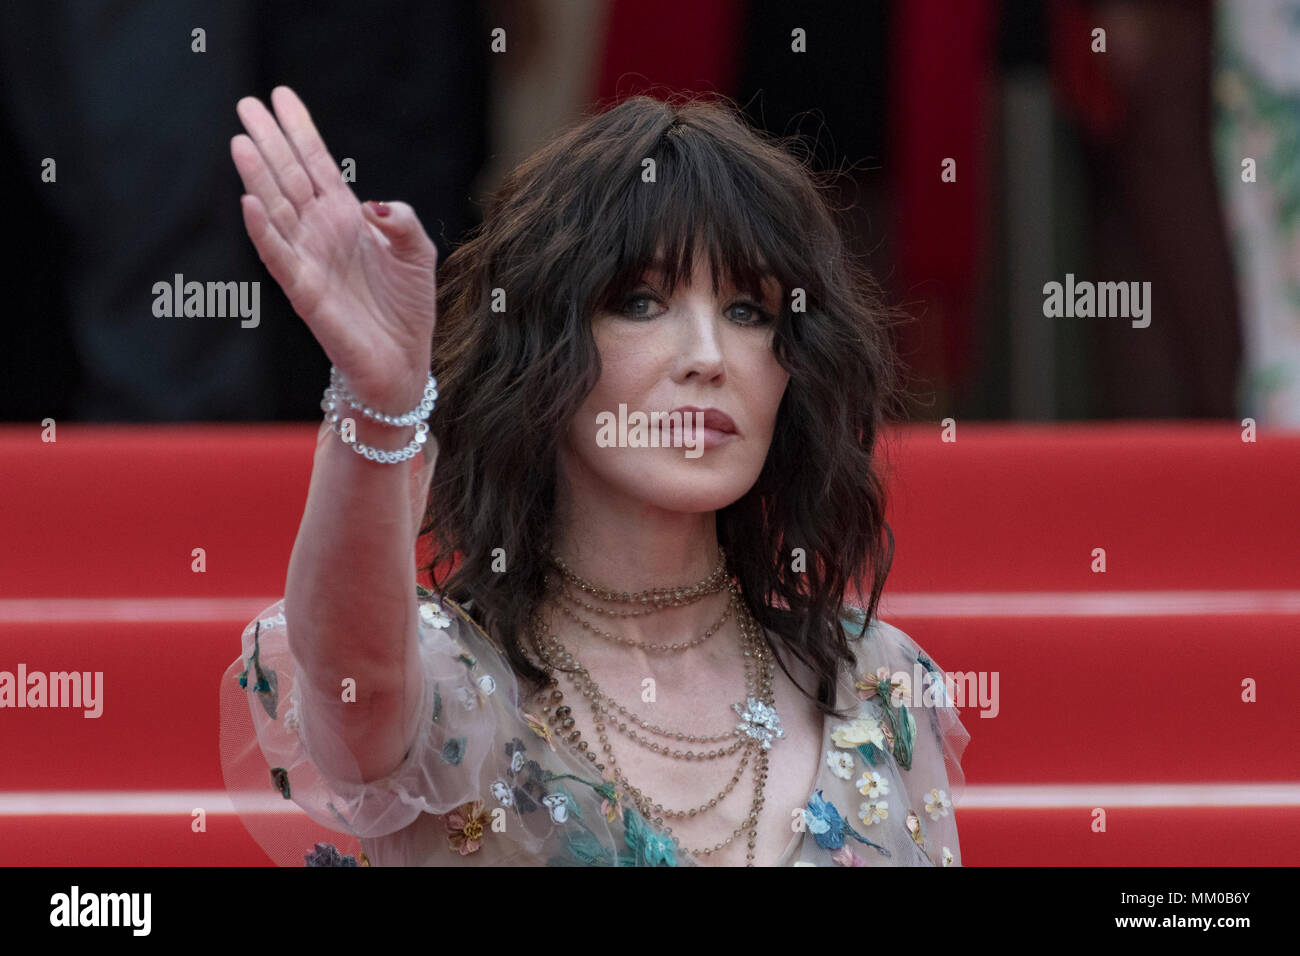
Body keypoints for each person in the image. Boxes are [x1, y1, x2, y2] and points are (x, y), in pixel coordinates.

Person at [218, 86, 970, 867]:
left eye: (750, 311)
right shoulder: (449, 683)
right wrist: (379, 405)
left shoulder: (877, 684)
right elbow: (358, 681)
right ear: (543, 353)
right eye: (642, 302)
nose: (708, 356)